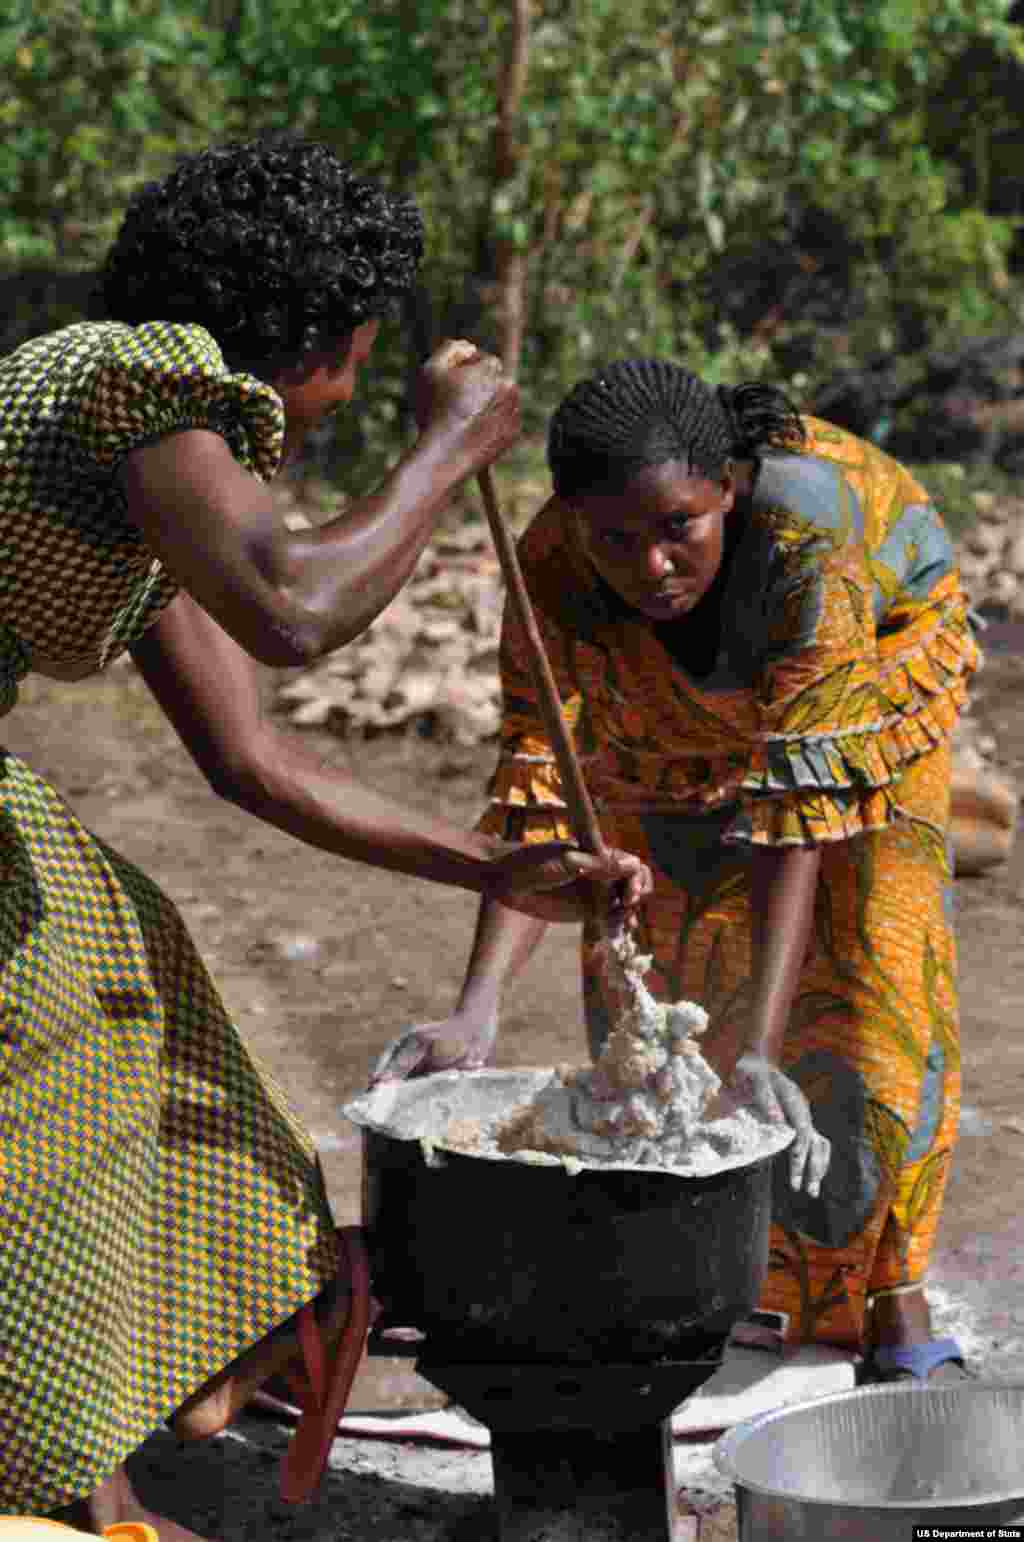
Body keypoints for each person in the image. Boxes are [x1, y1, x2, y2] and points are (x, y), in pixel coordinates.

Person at [0, 136, 651, 1538]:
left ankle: (186, 1382)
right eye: (351, 359)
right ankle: (67, 1480)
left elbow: (251, 755)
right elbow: (299, 608)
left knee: (141, 992)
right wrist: (454, 446)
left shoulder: (150, 463)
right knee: (35, 1077)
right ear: (295, 336)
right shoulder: (138, 379)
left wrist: (491, 867)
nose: (346, 394)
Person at [372, 356, 981, 1382]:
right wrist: (475, 1008)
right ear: (570, 520)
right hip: (679, 718)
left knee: (872, 988)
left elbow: (802, 807)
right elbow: (546, 800)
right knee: (660, 978)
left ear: (728, 490)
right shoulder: (554, 575)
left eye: (677, 529)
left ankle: (887, 1293)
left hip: (868, 691)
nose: (649, 564)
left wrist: (765, 1048)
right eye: (615, 537)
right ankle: (743, 1279)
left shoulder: (809, 532)